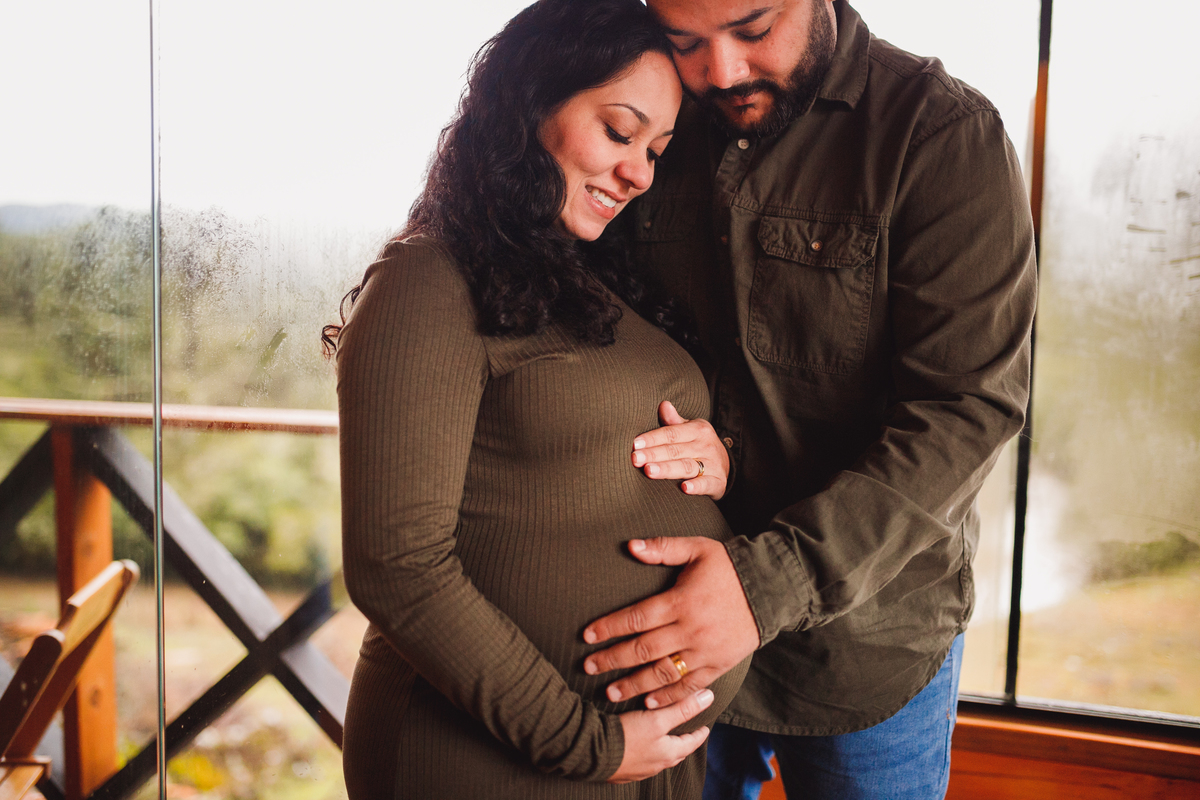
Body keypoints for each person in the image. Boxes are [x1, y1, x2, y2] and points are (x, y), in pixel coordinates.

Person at [579, 1, 1039, 797]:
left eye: (754, 30)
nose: (719, 73)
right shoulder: (644, 114)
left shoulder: (942, 136)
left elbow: (966, 413)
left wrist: (764, 587)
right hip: (661, 623)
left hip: (866, 644)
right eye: (686, 42)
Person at [328, 1, 751, 797]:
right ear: (531, 105)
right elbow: (395, 565)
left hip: (634, 757)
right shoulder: (429, 278)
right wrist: (583, 741)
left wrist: (715, 461)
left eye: (657, 150)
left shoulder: (591, 278)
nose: (640, 173)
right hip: (495, 757)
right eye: (619, 132)